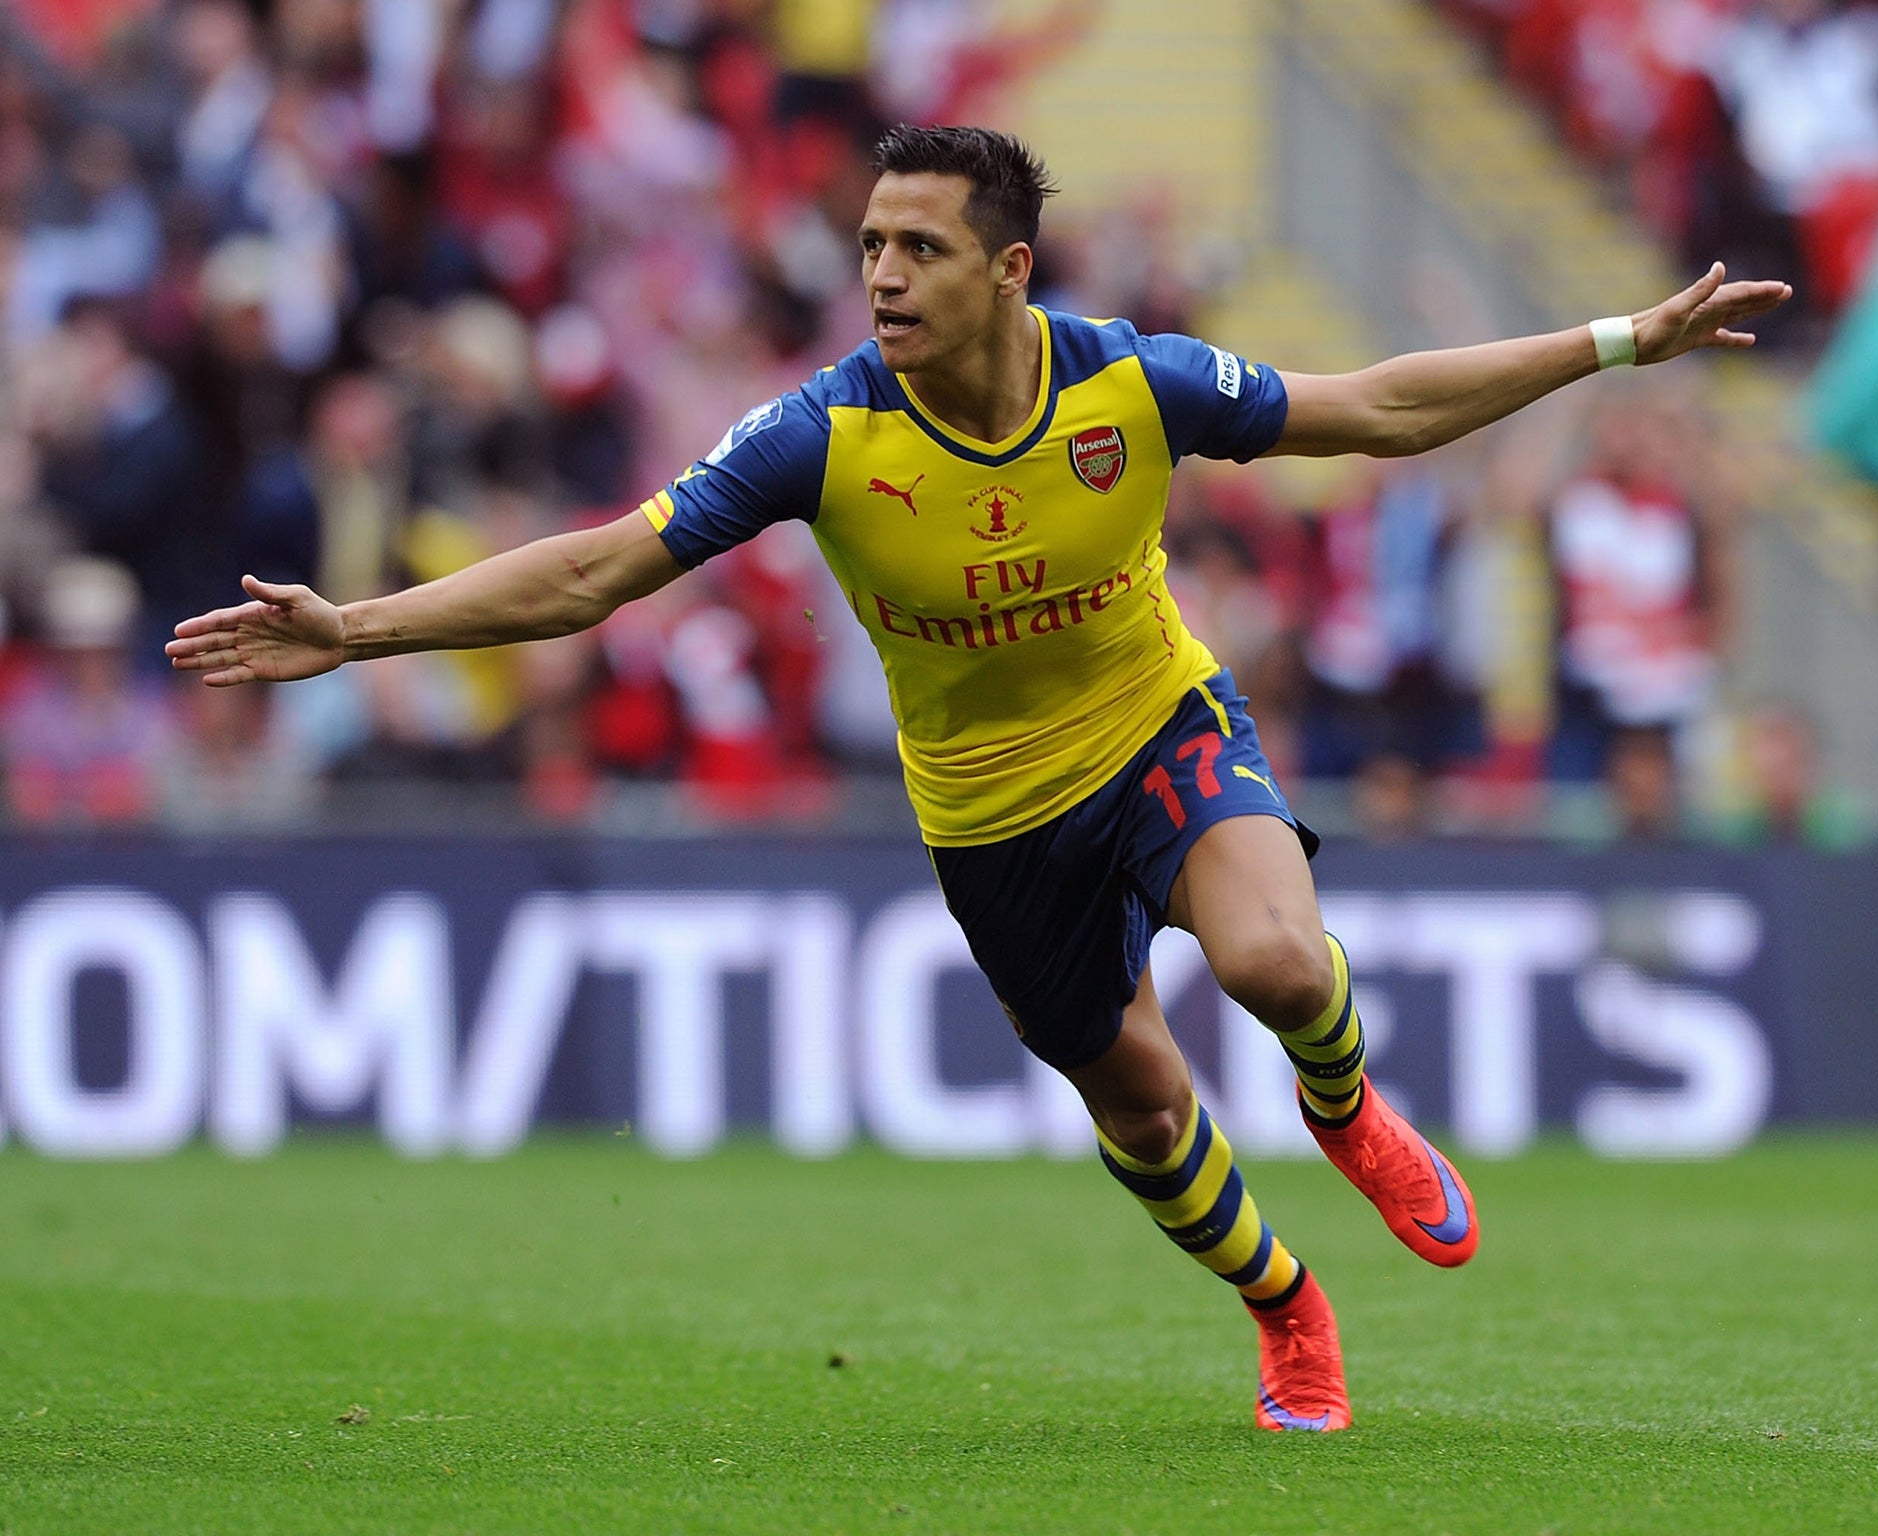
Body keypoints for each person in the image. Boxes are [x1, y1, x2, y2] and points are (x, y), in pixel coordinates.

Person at [168, 125, 1789, 1433]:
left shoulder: (1130, 381)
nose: (879, 272)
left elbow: (1371, 411)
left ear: (1008, 269)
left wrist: (1620, 340)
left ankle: (1347, 1105)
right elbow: (599, 572)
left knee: (1280, 961)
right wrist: (360, 629)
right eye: (869, 244)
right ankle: (1287, 1307)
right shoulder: (820, 435)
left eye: (919, 247)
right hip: (991, 821)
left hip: (1160, 730)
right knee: (1148, 1110)